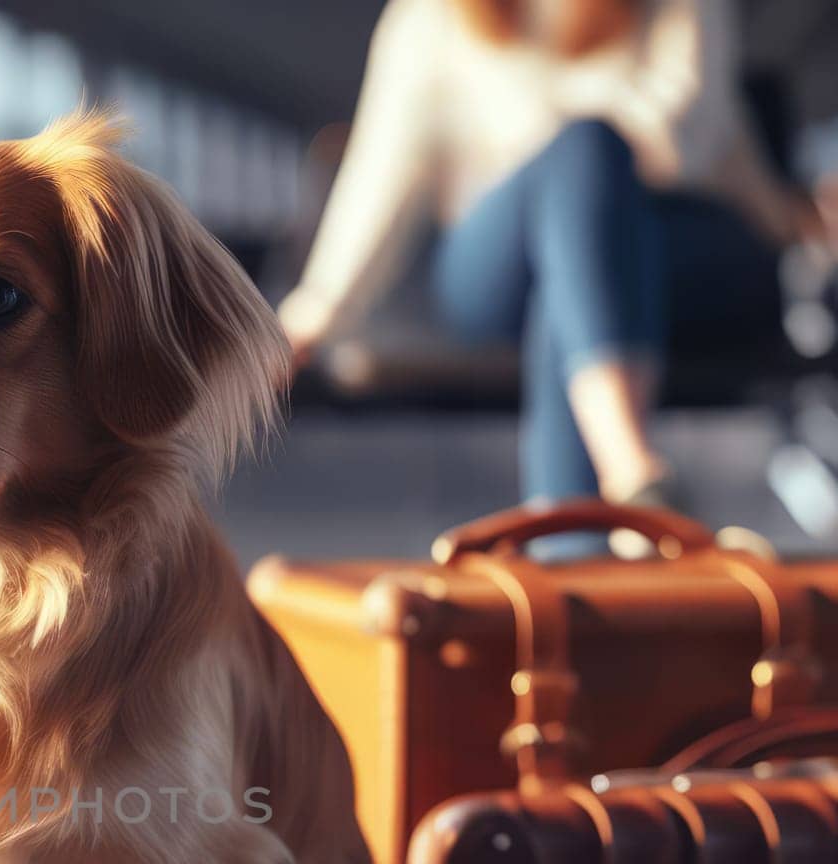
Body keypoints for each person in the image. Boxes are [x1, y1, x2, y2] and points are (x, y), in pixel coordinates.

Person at [280, 0, 827, 555]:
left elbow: (676, 142)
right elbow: (382, 171)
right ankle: (636, 485)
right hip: (498, 258)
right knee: (578, 196)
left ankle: (585, 551)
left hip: (677, 246)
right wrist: (315, 309)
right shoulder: (428, 17)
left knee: (576, 237)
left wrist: (569, 167)